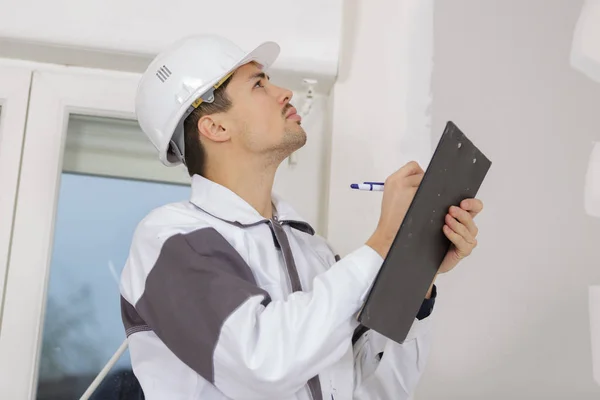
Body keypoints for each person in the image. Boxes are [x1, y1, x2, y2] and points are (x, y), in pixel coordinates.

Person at [120, 35, 484, 400]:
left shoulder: (313, 251)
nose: (285, 93)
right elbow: (263, 362)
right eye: (259, 84)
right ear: (216, 127)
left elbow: (376, 390)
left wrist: (417, 270)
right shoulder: (171, 240)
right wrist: (383, 242)